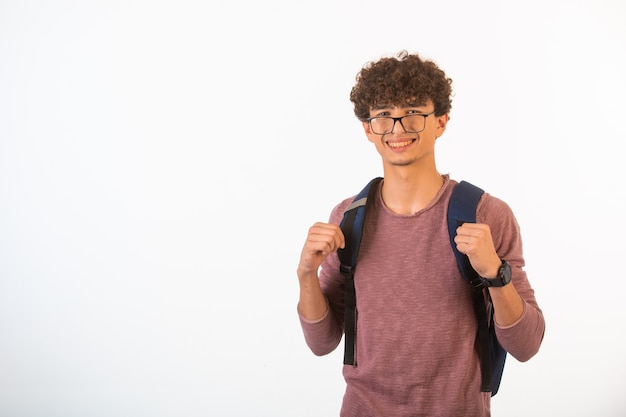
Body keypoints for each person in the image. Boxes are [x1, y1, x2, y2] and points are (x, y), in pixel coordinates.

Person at [296, 51, 545, 417]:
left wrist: (495, 273)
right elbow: (323, 343)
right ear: (368, 128)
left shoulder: (486, 215)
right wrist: (305, 275)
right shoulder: (348, 219)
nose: (397, 129)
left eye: (413, 114)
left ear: (441, 121)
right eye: (383, 116)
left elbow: (527, 345)